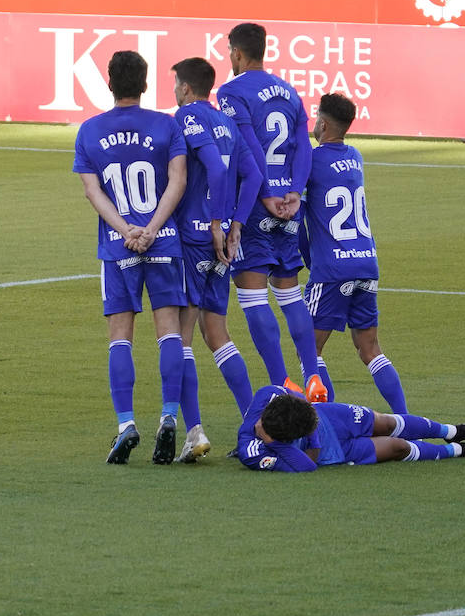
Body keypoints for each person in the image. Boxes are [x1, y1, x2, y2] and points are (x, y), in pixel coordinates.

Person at [74, 51, 188, 465]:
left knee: (120, 336)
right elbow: (178, 181)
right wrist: (153, 228)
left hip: (117, 245)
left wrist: (126, 231)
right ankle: (169, 418)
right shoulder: (166, 125)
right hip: (164, 240)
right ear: (144, 85)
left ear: (109, 83)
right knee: (169, 332)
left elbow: (93, 191)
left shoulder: (89, 131)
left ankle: (126, 425)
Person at [216, 23, 325, 402]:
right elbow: (302, 147)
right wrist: (294, 192)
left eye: (231, 51)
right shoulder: (289, 91)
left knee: (253, 298)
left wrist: (262, 195)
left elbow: (247, 146)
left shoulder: (231, 92)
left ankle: (283, 382)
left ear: (239, 53)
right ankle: (312, 376)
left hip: (256, 205)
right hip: (288, 206)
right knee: (290, 292)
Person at [169, 58, 262, 462]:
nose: (174, 91)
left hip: (195, 236)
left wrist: (216, 220)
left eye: (176, 84)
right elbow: (253, 177)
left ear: (188, 89)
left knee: (182, 335)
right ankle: (252, 425)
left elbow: (215, 168)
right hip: (222, 244)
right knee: (217, 335)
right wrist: (236, 222)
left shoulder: (188, 116)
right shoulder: (226, 121)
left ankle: (194, 432)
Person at [301, 92, 407, 412]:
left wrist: (311, 263)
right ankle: (405, 420)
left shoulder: (310, 161)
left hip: (332, 270)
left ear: (322, 122)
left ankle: (329, 425)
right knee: (370, 348)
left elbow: (296, 223)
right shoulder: (356, 156)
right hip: (366, 263)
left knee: (310, 350)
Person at [236, 384, 465, 471]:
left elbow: (300, 402)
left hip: (332, 417)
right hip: (336, 452)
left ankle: (454, 431)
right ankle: (460, 451)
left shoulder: (268, 395)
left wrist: (312, 423)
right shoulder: (253, 452)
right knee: (397, 446)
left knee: (387, 422)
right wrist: (274, 442)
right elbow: (307, 465)